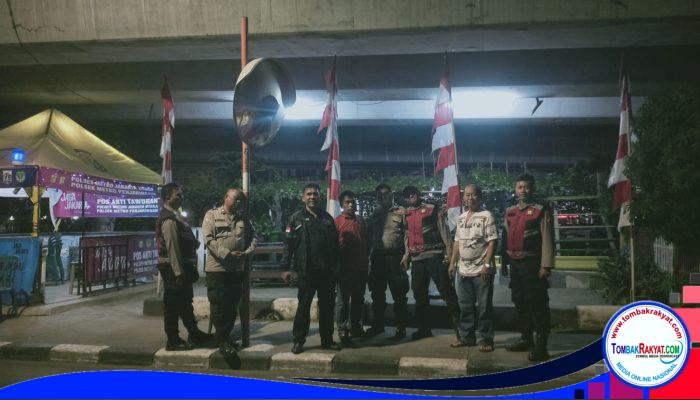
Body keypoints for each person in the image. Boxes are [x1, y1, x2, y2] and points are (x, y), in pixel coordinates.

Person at [281, 183, 341, 354]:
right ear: (303, 198)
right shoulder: (295, 219)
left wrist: (336, 268)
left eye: (315, 194)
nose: (312, 197)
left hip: (326, 272)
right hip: (306, 271)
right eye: (309, 194)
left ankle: (327, 340)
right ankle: (299, 341)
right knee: (303, 307)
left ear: (319, 196)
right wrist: (285, 268)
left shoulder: (327, 218)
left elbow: (335, 246)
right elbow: (288, 245)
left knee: (327, 308)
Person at [501, 173, 555, 362]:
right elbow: (505, 237)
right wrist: (504, 262)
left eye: (527, 187)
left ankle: (542, 347)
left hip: (533, 264)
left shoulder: (541, 210)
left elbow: (547, 238)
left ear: (533, 188)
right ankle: (526, 339)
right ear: (515, 189)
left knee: (537, 304)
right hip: (515, 265)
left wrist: (546, 265)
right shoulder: (510, 211)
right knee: (520, 301)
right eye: (520, 187)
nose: (523, 190)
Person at [156, 183, 214, 351]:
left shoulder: (177, 216)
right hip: (173, 268)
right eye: (178, 195)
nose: (181, 198)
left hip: (181, 267)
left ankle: (194, 334)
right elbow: (172, 247)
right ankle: (173, 340)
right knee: (173, 306)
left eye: (181, 195)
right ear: (167, 197)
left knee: (185, 303)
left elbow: (187, 239)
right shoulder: (168, 219)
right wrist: (178, 272)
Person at [401, 185, 460, 341]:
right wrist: (406, 256)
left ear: (418, 194)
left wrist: (450, 254)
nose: (411, 197)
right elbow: (407, 236)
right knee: (419, 294)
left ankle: (461, 328)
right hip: (416, 259)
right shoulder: (406, 214)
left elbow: (444, 231)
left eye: (413, 193)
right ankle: (424, 329)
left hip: (434, 256)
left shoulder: (432, 209)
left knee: (446, 290)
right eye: (407, 195)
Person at [202, 188, 256, 356]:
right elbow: (209, 239)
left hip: (236, 269)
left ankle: (225, 338)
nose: (238, 202)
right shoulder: (212, 215)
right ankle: (222, 341)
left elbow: (254, 237)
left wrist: (246, 253)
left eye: (240, 200)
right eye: (235, 198)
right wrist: (226, 254)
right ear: (225, 197)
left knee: (232, 306)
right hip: (217, 269)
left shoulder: (243, 219)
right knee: (219, 305)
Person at [448, 184, 497, 352]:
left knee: (484, 307)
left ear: (480, 197)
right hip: (463, 271)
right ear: (464, 198)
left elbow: (492, 241)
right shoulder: (461, 218)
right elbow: (457, 242)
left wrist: (487, 265)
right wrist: (452, 262)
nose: (470, 198)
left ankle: (486, 340)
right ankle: (467, 338)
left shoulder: (486, 215)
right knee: (465, 307)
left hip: (481, 271)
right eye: (467, 195)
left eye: (474, 195)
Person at [365, 183, 409, 340]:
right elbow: (368, 238)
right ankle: (378, 326)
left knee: (399, 295)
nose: (384, 196)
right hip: (378, 258)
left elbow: (407, 235)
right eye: (381, 195)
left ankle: (401, 328)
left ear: (391, 195)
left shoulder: (401, 212)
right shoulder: (374, 214)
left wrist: (407, 255)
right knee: (377, 294)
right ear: (377, 197)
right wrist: (367, 259)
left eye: (386, 194)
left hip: (395, 258)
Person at [333, 190, 368, 346]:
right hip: (344, 269)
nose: (351, 205)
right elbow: (333, 245)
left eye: (353, 202)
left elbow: (366, 242)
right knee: (343, 301)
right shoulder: (337, 222)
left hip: (360, 267)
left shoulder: (361, 221)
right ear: (342, 204)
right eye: (347, 202)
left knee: (358, 299)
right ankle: (342, 329)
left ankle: (356, 327)